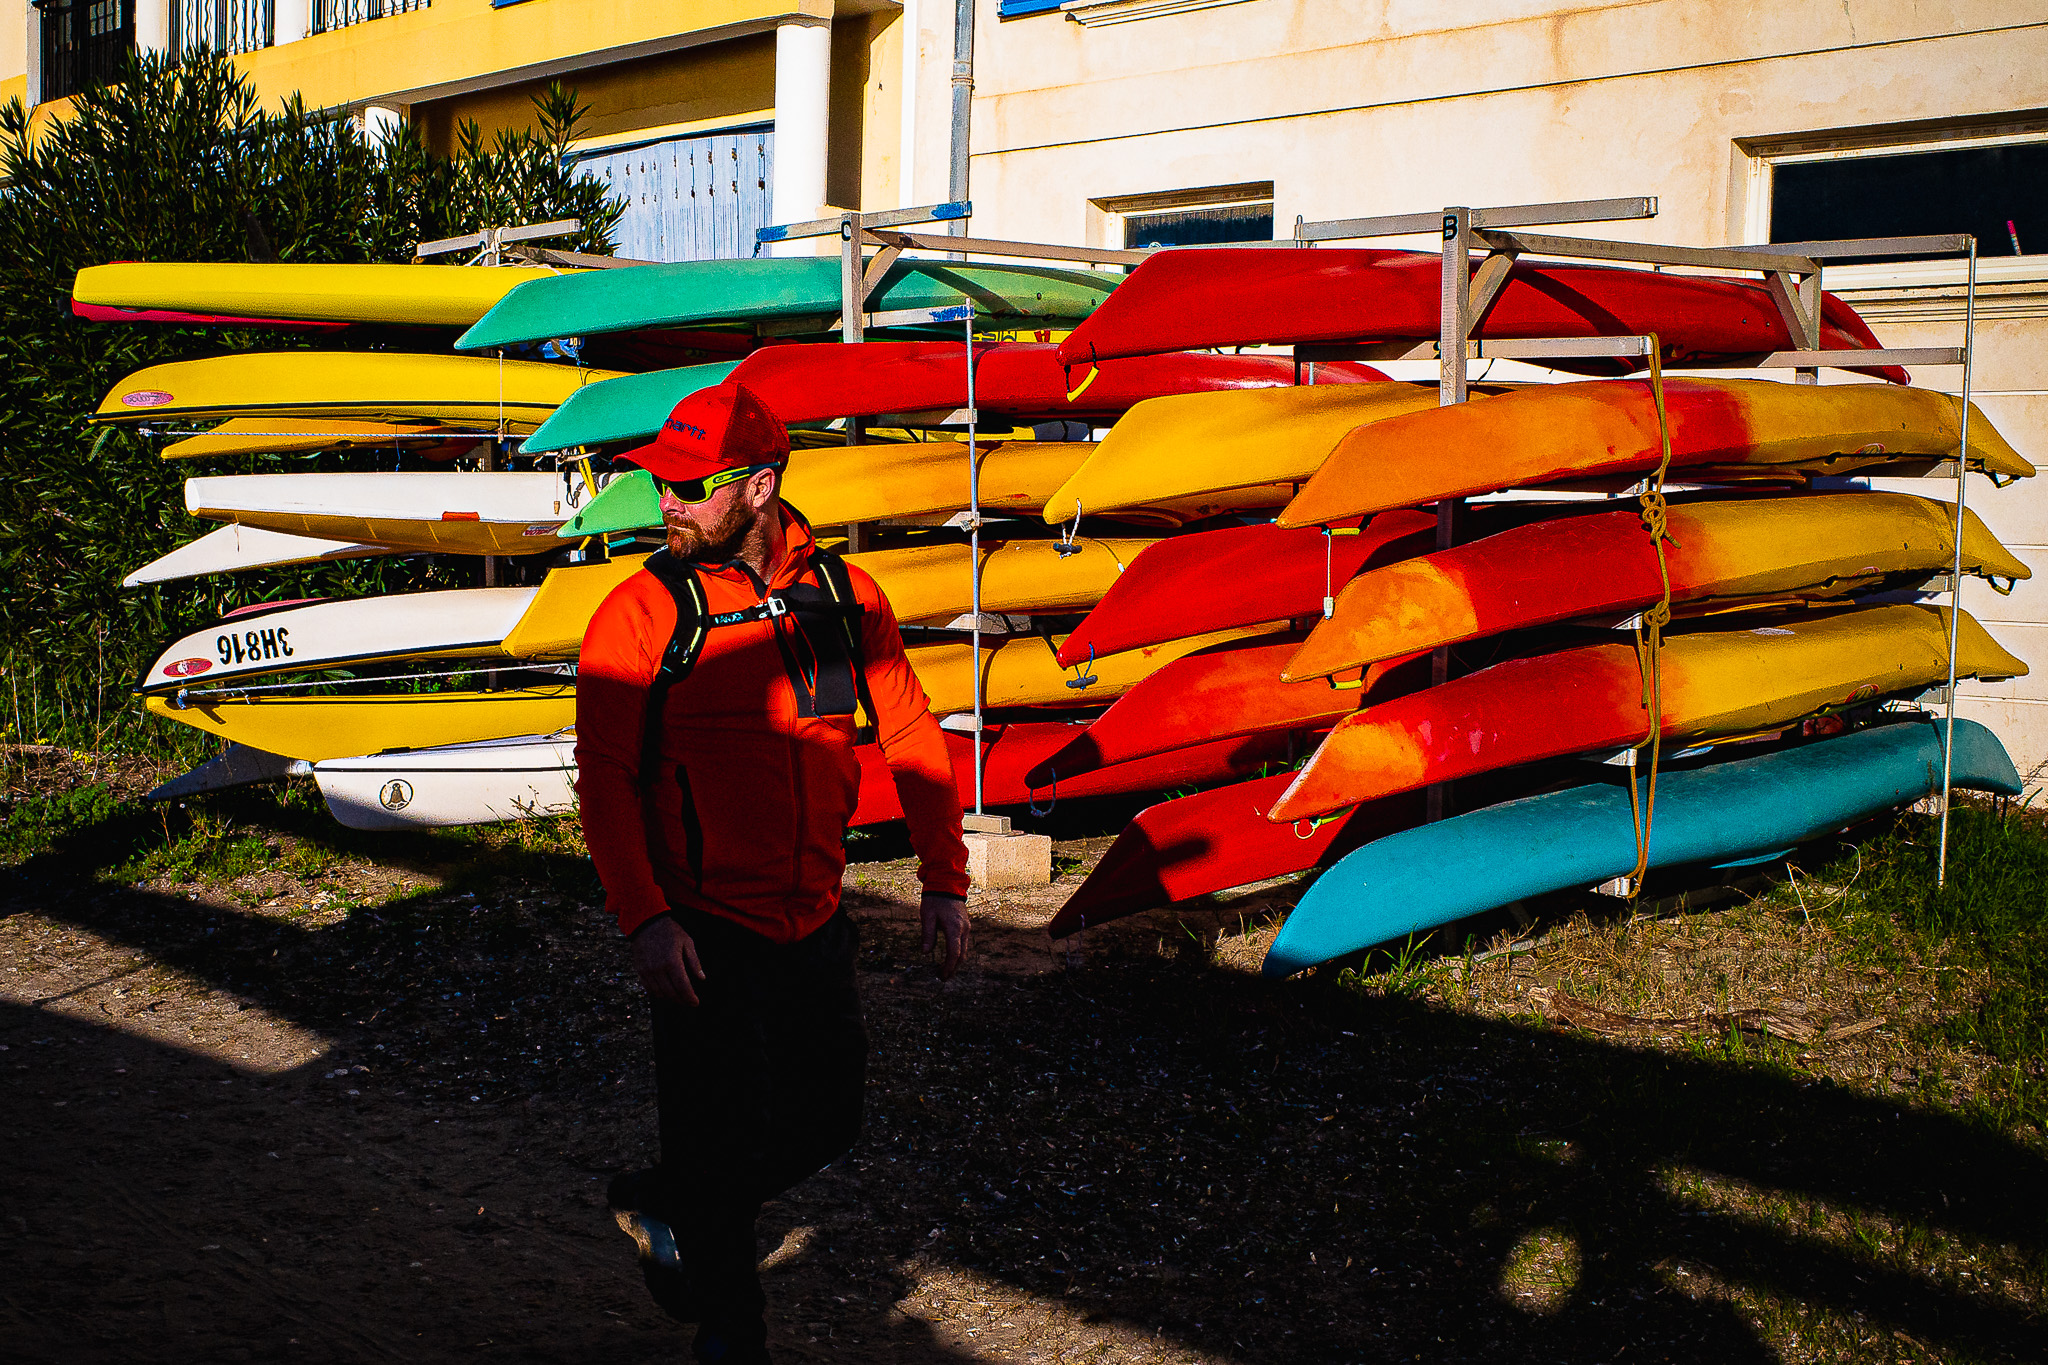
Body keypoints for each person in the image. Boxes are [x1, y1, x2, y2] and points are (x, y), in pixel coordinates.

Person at [574, 381, 972, 1364]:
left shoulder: (843, 597)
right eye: (656, 482)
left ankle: (676, 1202)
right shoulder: (639, 614)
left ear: (758, 485)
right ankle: (726, 1324)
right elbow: (606, 781)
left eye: (687, 484)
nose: (664, 501)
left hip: (811, 918)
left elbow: (912, 730)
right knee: (716, 1138)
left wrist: (943, 876)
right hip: (700, 928)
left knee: (828, 1118)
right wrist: (644, 920)